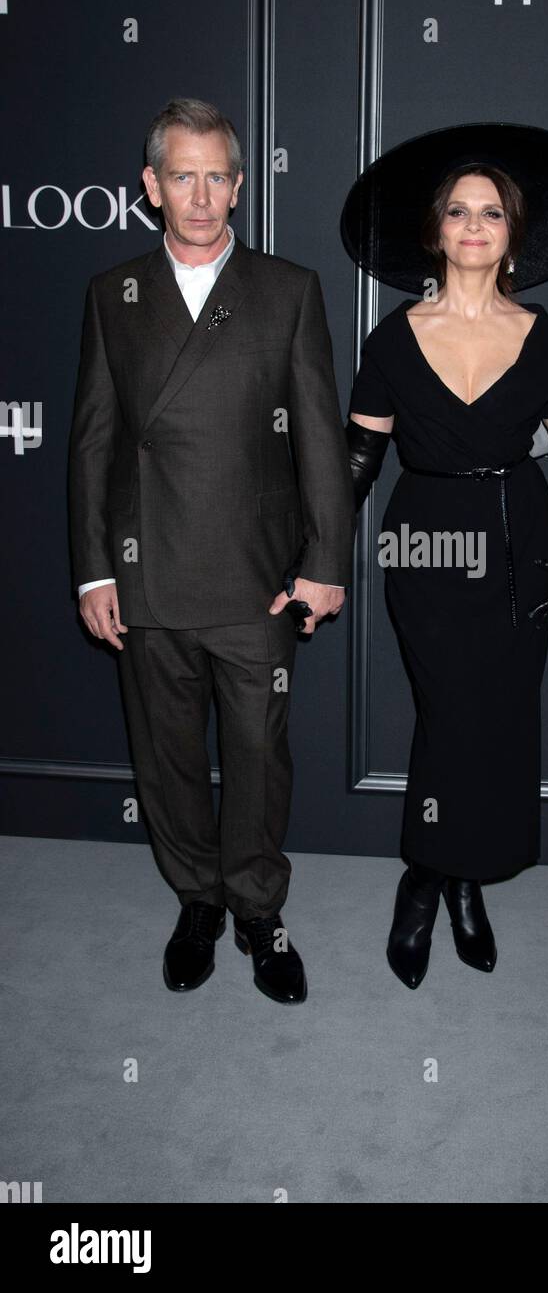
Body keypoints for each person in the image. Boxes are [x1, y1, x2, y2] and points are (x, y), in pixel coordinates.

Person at [68, 98, 354, 1005]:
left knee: (259, 758)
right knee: (167, 758)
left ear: (240, 183)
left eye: (217, 176)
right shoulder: (113, 292)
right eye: (180, 175)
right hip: (147, 572)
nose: (200, 195)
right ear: (151, 186)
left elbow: (319, 442)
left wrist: (325, 565)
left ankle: (259, 913)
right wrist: (93, 568)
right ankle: (196, 899)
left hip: (254, 581)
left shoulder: (288, 288)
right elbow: (93, 443)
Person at [339, 123, 548, 988]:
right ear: (436, 230)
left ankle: (457, 882)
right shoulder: (393, 337)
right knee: (448, 710)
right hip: (425, 537)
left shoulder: (542, 336)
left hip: (518, 538)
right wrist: (318, 554)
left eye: (490, 212)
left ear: (510, 231)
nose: (472, 225)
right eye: (457, 211)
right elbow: (358, 458)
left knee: (497, 719)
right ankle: (428, 882)